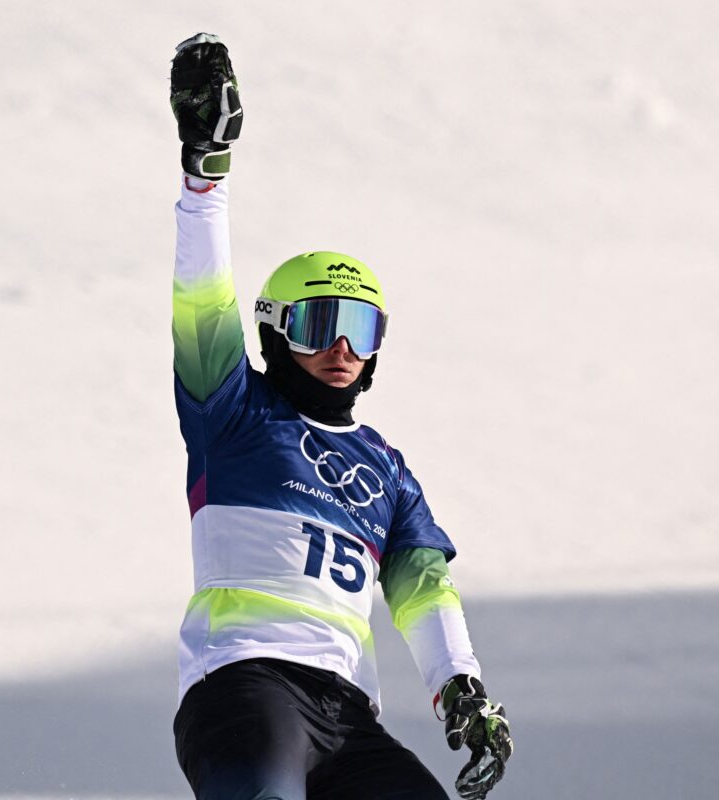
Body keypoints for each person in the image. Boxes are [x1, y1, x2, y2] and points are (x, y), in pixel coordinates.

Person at [167, 33, 513, 800]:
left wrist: (460, 686)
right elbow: (203, 304)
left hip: (348, 718)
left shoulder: (386, 469)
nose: (343, 350)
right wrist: (205, 180)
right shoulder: (233, 412)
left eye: (363, 329)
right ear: (274, 332)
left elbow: (424, 587)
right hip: (247, 685)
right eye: (321, 325)